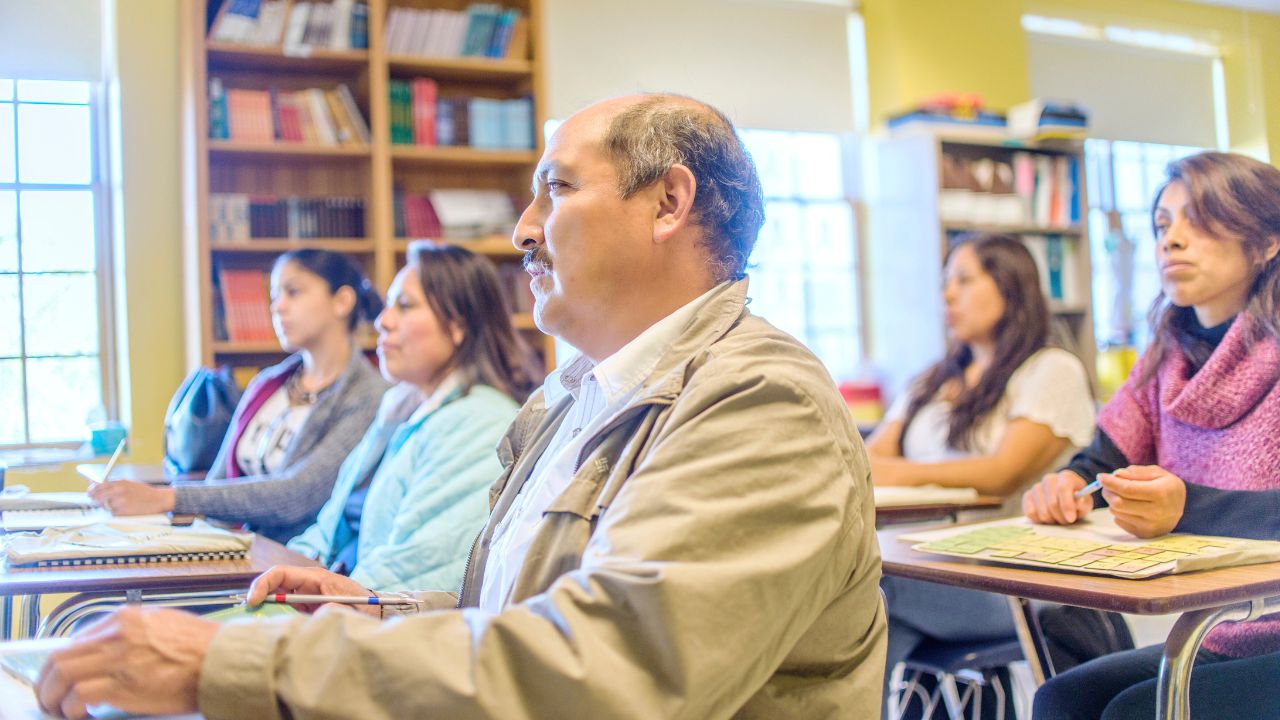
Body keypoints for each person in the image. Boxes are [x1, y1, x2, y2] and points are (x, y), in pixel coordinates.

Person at [35, 93, 887, 720]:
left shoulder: (763, 401)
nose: (523, 230)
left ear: (669, 203)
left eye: (555, 191)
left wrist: (239, 659)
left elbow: (608, 673)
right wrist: (376, 611)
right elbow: (522, 618)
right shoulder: (576, 394)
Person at [1024, 151, 1280, 719]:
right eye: (1163, 225)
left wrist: (1188, 508)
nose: (1172, 241)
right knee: (1060, 699)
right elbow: (1099, 459)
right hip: (1224, 633)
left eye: (1201, 219)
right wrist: (1066, 484)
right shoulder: (1165, 359)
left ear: (1266, 242)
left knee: (1130, 713)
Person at [866, 233, 1094, 711]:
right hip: (930, 572)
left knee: (871, 586)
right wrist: (902, 470)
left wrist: (902, 471)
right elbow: (865, 461)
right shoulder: (935, 379)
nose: (948, 295)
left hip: (1015, 586)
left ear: (1009, 287)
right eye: (947, 283)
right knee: (866, 614)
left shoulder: (1050, 370)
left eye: (964, 280)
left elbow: (1000, 474)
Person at [287, 243, 540, 591]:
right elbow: (327, 530)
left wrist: (316, 598)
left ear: (457, 326)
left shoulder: (481, 423)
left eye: (404, 306)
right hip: (345, 601)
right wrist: (286, 574)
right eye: (388, 305)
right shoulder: (401, 409)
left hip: (375, 619)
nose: (383, 321)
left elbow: (417, 571)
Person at [90, 249, 388, 543]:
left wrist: (166, 499)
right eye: (274, 296)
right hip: (234, 549)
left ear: (342, 301)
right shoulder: (268, 384)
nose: (278, 307)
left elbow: (296, 495)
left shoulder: (369, 396)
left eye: (293, 292)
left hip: (297, 565)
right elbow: (219, 481)